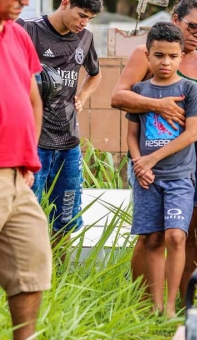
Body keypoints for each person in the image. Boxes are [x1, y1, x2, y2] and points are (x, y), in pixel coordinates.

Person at [110, 0, 197, 300]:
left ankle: (185, 303)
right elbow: (118, 96)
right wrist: (158, 104)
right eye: (193, 27)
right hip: (153, 161)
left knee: (187, 234)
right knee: (152, 236)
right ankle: (144, 303)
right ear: (176, 19)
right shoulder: (145, 54)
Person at [125, 21, 197, 317]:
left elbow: (191, 134)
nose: (165, 62)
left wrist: (151, 159)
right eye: (159, 55)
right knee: (154, 238)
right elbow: (133, 135)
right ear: (147, 55)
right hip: (146, 179)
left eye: (172, 56)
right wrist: (138, 163)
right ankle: (155, 306)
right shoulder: (140, 91)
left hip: (180, 178)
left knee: (177, 236)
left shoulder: (189, 89)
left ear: (181, 56)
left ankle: (172, 306)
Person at [17, 0, 102, 253]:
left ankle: (61, 282)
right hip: (32, 143)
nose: (84, 23)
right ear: (65, 3)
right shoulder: (27, 29)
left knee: (65, 222)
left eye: (89, 18)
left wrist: (82, 96)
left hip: (68, 142)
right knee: (23, 219)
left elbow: (95, 74)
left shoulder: (85, 38)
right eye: (81, 15)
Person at [0, 0, 53, 339]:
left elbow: (33, 98)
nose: (26, 2)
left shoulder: (17, 35)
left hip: (17, 172)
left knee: (31, 261)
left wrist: (28, 156)